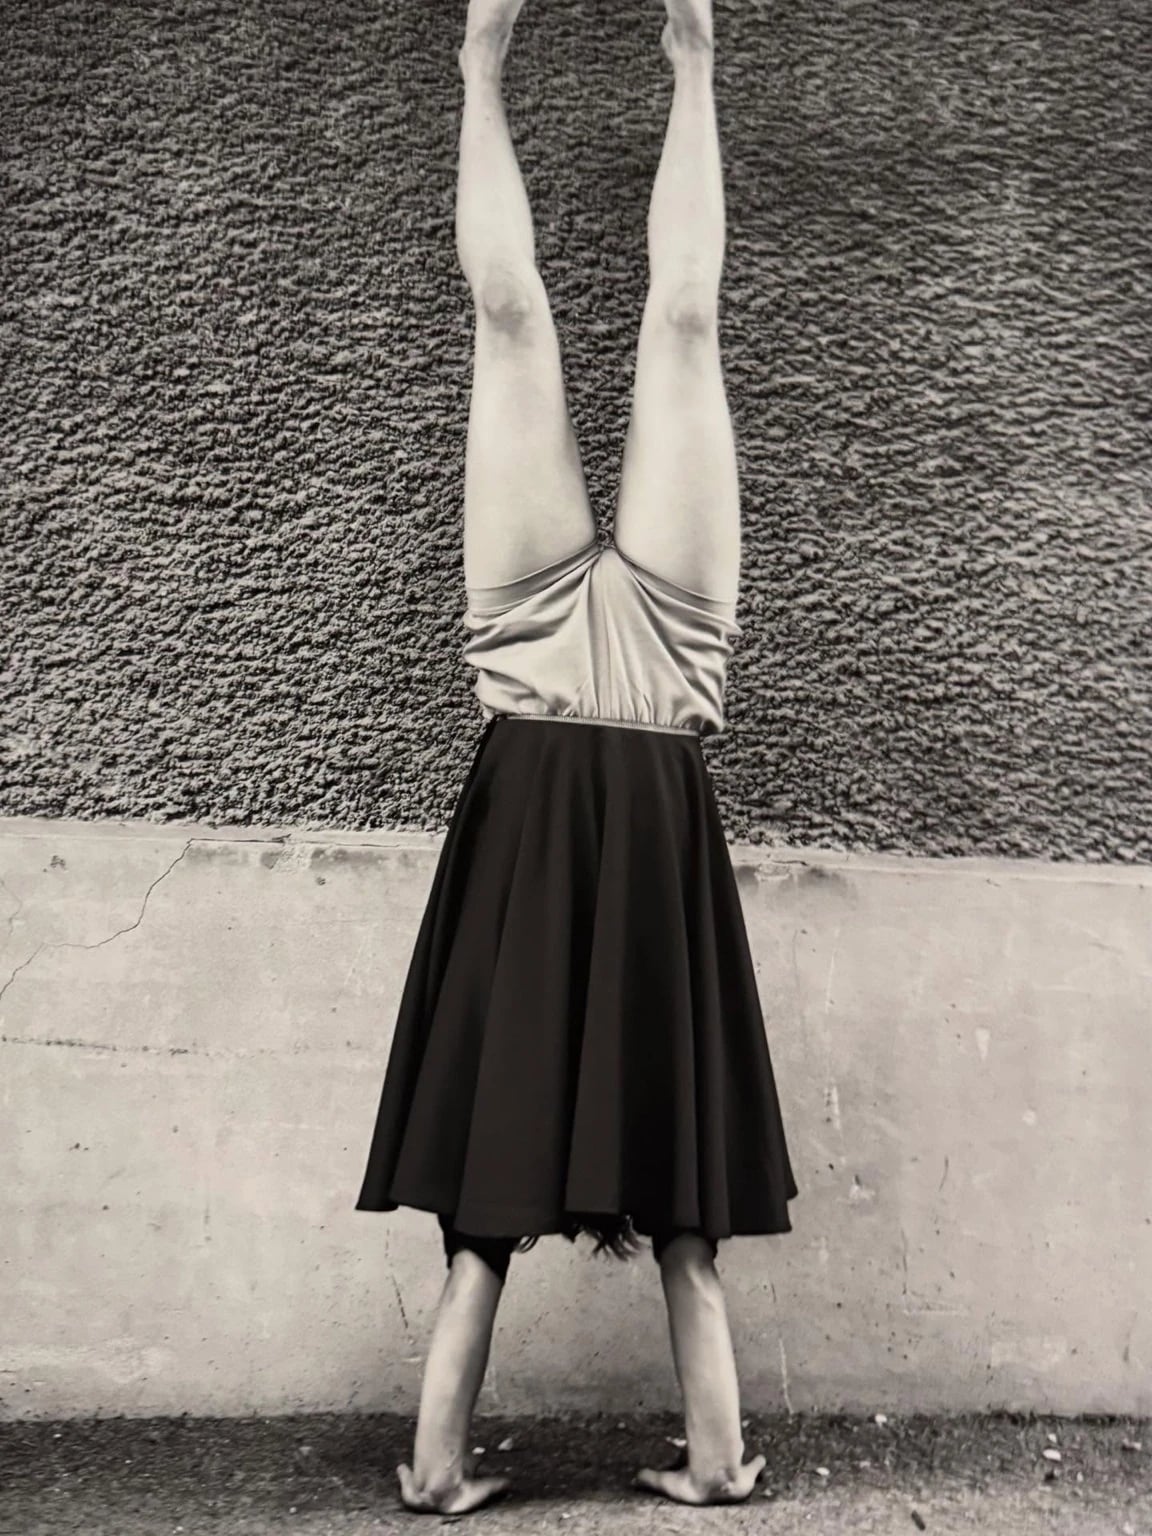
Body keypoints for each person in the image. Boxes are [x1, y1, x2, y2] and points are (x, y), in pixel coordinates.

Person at [355, 0, 798, 1514]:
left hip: (563, 719)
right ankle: (716, 1461)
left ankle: (437, 1467)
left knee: (570, 324)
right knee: (636, 325)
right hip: (627, 709)